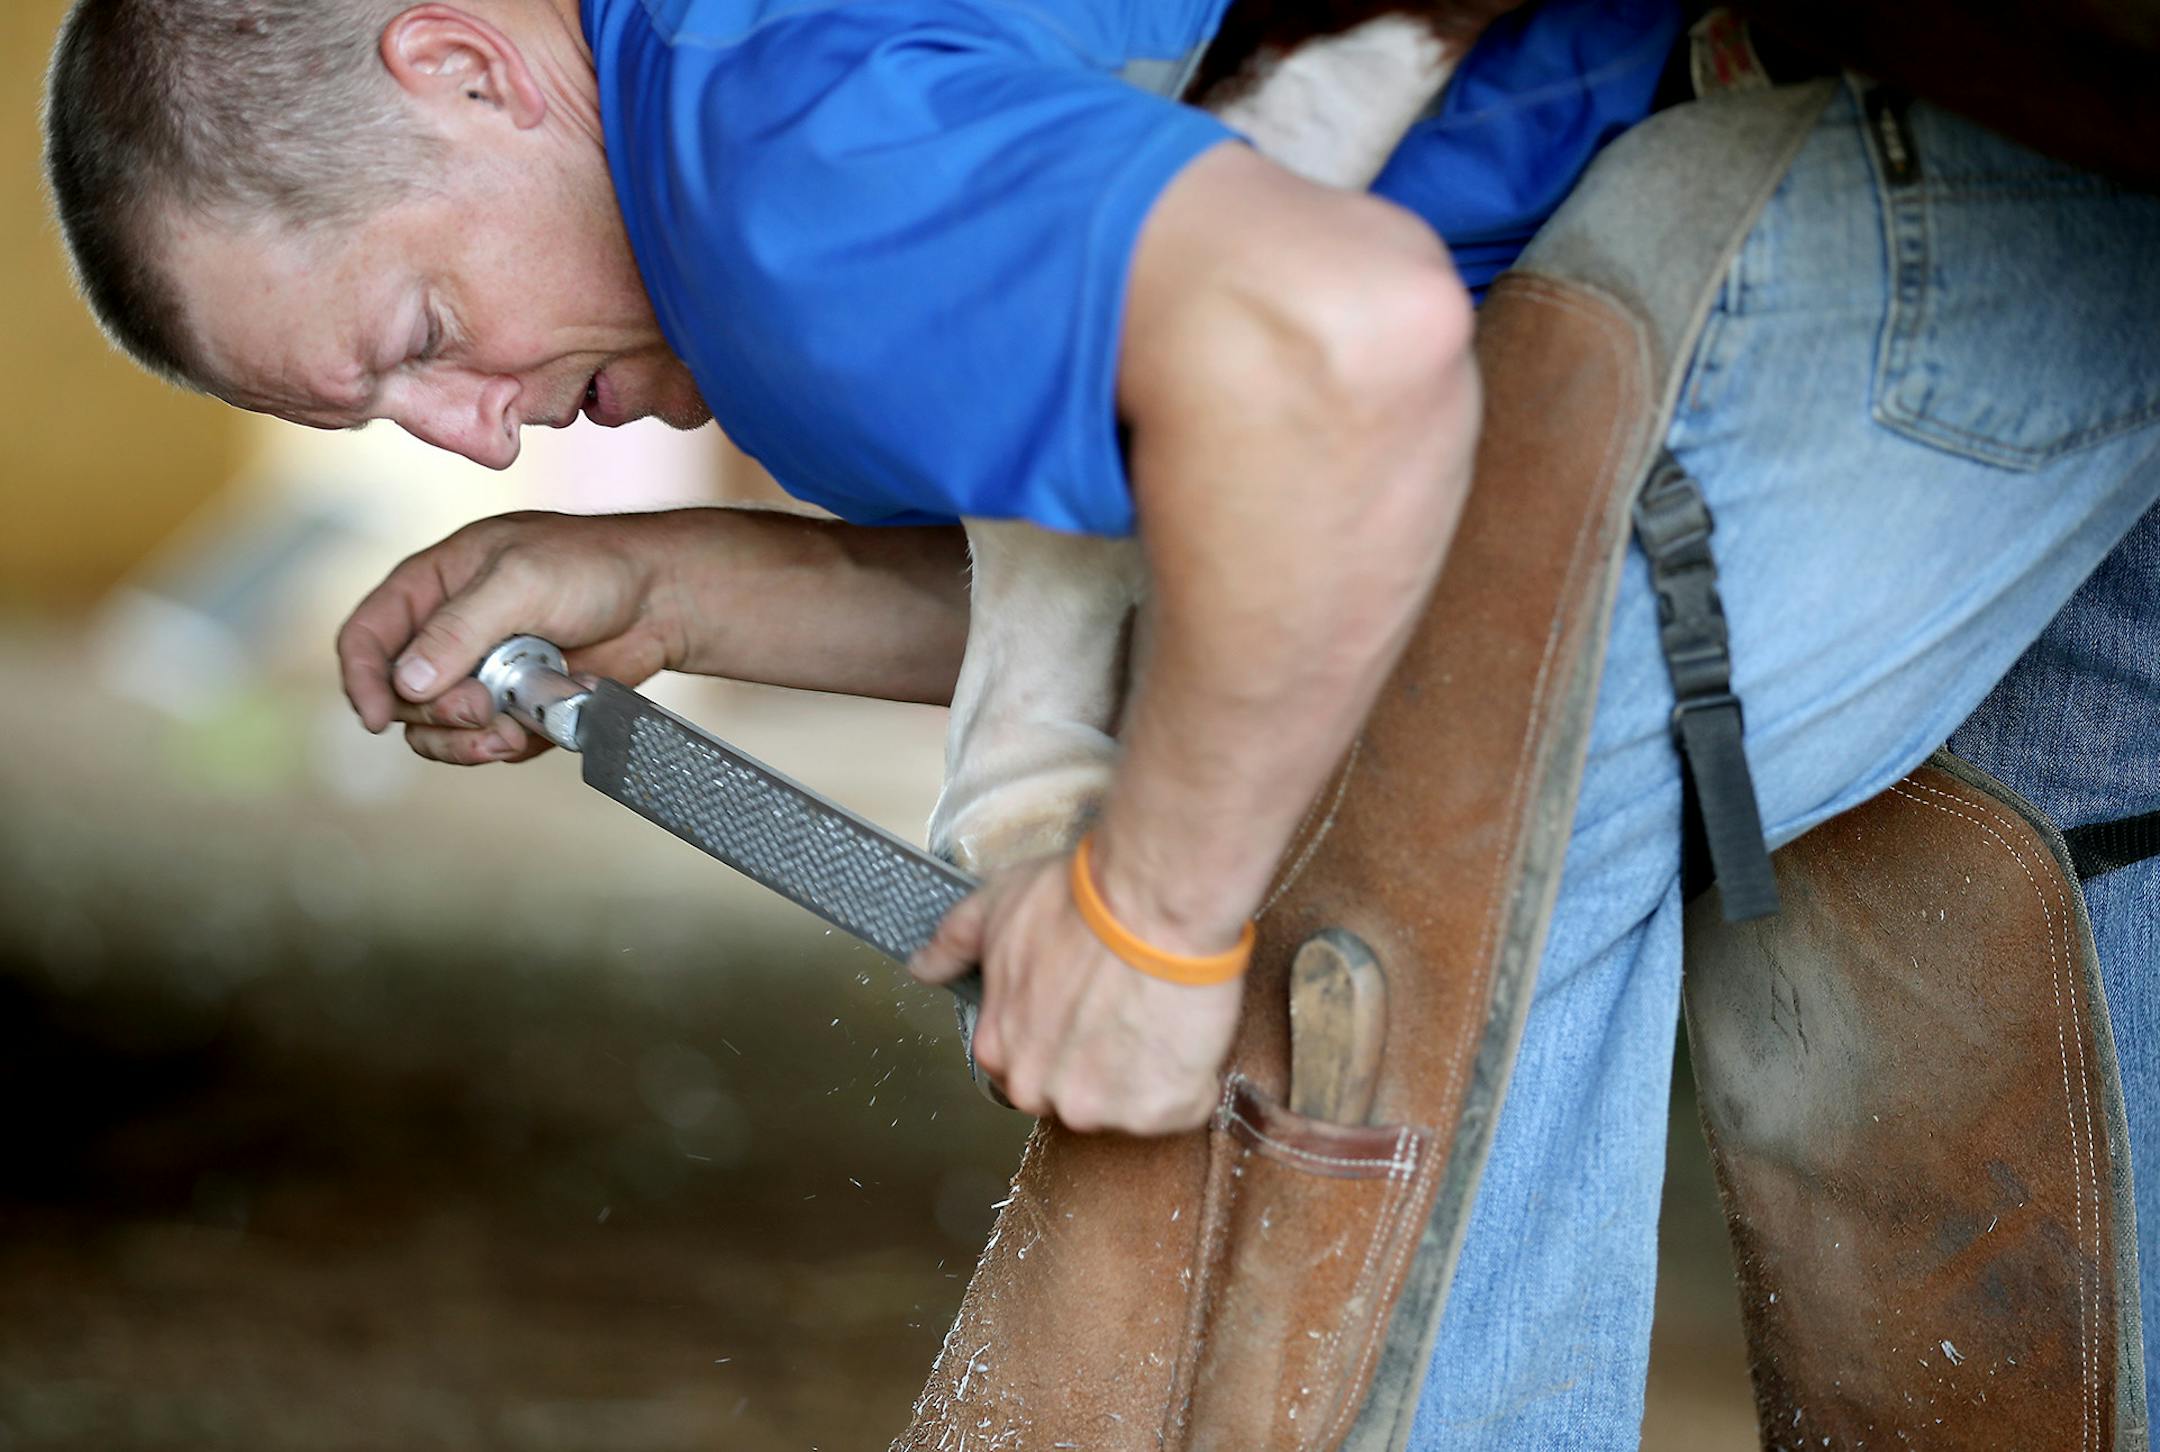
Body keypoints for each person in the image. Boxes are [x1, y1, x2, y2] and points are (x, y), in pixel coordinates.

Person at [40, 0, 2160, 1443]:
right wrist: (683, 589)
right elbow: (1251, 533)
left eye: (423, 336)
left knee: (1333, 973)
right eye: (390, 413)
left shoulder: (754, 181)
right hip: (2027, 203)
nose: (473, 430)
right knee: (2015, 1037)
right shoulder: (790, 62)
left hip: (1875, 228)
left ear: (461, 65)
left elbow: (1338, 350)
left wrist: (1155, 911)